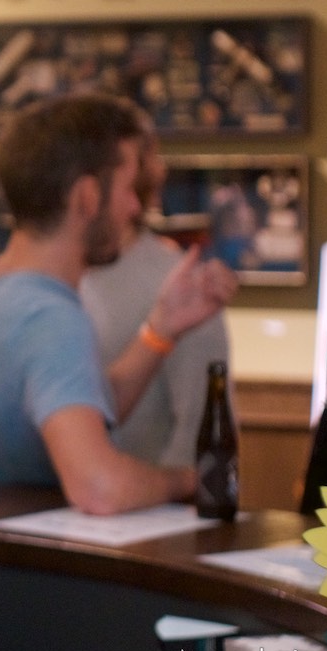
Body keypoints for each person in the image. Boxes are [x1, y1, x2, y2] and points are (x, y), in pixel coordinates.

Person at [0, 93, 240, 515]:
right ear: (87, 197)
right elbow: (99, 488)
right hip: (40, 557)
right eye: (129, 188)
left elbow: (73, 402)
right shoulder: (51, 317)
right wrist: (190, 479)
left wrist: (161, 329)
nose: (136, 206)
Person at [79, 106, 231, 469]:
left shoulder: (179, 282)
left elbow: (198, 431)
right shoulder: (48, 284)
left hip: (147, 501)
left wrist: (171, 492)